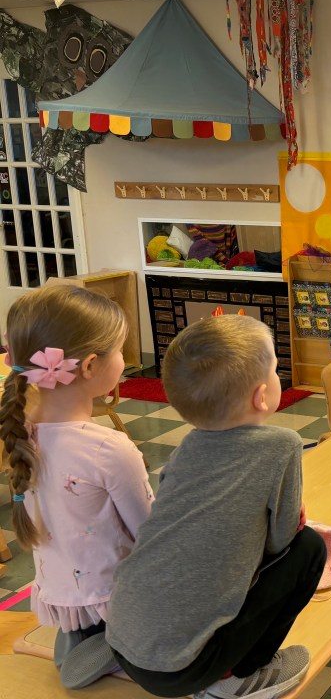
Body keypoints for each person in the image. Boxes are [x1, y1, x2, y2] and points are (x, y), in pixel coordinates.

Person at [107, 315, 326, 698]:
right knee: (310, 548)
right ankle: (236, 679)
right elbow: (281, 542)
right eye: (275, 369)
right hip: (185, 670)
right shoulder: (282, 444)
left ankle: (124, 648)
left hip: (122, 639)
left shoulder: (187, 447)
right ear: (261, 396)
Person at [0, 285, 152, 689]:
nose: (123, 359)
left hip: (61, 596)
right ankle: (121, 645)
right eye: (119, 350)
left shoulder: (21, 433)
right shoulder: (107, 448)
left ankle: (82, 641)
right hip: (114, 598)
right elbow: (150, 535)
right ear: (89, 366)